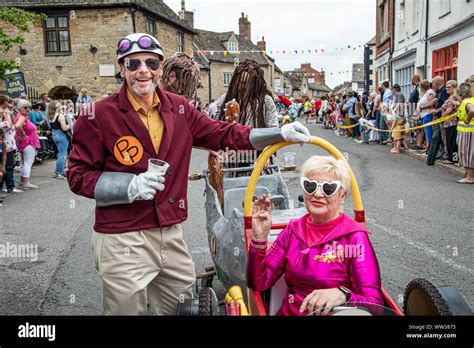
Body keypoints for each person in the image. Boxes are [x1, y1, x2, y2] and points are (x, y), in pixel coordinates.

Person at [66, 33, 311, 315]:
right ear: (122, 69)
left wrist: (278, 133)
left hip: (169, 232)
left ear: (160, 68)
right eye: (133, 64)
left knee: (184, 308)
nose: (142, 70)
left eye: (150, 62)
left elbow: (224, 133)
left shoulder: (179, 108)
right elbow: (77, 175)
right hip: (122, 236)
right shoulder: (97, 114)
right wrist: (129, 186)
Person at [247, 155, 383, 316]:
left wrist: (343, 294)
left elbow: (375, 305)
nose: (318, 194)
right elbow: (259, 283)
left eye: (328, 188)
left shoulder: (354, 238)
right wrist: (259, 239)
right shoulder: (293, 230)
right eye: (310, 186)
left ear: (342, 196)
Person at [431, 80, 460, 164]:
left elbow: (450, 109)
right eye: (446, 87)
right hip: (446, 122)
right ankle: (448, 156)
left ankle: (452, 159)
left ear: (454, 87)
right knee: (447, 140)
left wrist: (443, 117)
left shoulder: (455, 96)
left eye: (449, 87)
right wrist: (436, 111)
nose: (446, 89)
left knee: (452, 142)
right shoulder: (450, 96)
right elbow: (444, 107)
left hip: (452, 122)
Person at [14, 99, 40, 189]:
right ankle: (25, 182)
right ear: (20, 108)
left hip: (26, 142)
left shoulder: (22, 116)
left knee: (26, 162)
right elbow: (17, 126)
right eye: (25, 107)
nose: (28, 109)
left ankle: (22, 181)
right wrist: (22, 133)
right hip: (27, 142)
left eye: (29, 107)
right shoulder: (22, 117)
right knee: (28, 162)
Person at [455, 77, 474, 184]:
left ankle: (470, 178)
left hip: (467, 132)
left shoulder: (466, 101)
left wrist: (467, 119)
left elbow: (472, 110)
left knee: (466, 153)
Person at [48, 100, 71, 179]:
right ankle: (61, 173)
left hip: (54, 134)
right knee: (63, 155)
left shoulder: (51, 116)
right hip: (61, 135)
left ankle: (56, 171)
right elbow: (64, 128)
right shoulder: (60, 116)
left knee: (60, 153)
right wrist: (71, 125)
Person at [417, 80, 436, 149]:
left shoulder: (430, 92)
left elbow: (431, 103)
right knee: (426, 132)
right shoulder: (426, 93)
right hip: (424, 115)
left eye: (420, 87)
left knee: (429, 133)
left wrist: (422, 107)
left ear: (423, 87)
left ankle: (430, 149)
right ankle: (428, 148)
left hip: (427, 115)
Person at [389, 84, 407, 154]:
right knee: (396, 133)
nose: (391, 91)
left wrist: (396, 117)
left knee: (397, 133)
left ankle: (397, 149)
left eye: (392, 89)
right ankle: (396, 147)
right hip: (397, 116)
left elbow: (400, 107)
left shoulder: (399, 95)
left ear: (394, 89)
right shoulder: (396, 96)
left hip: (399, 117)